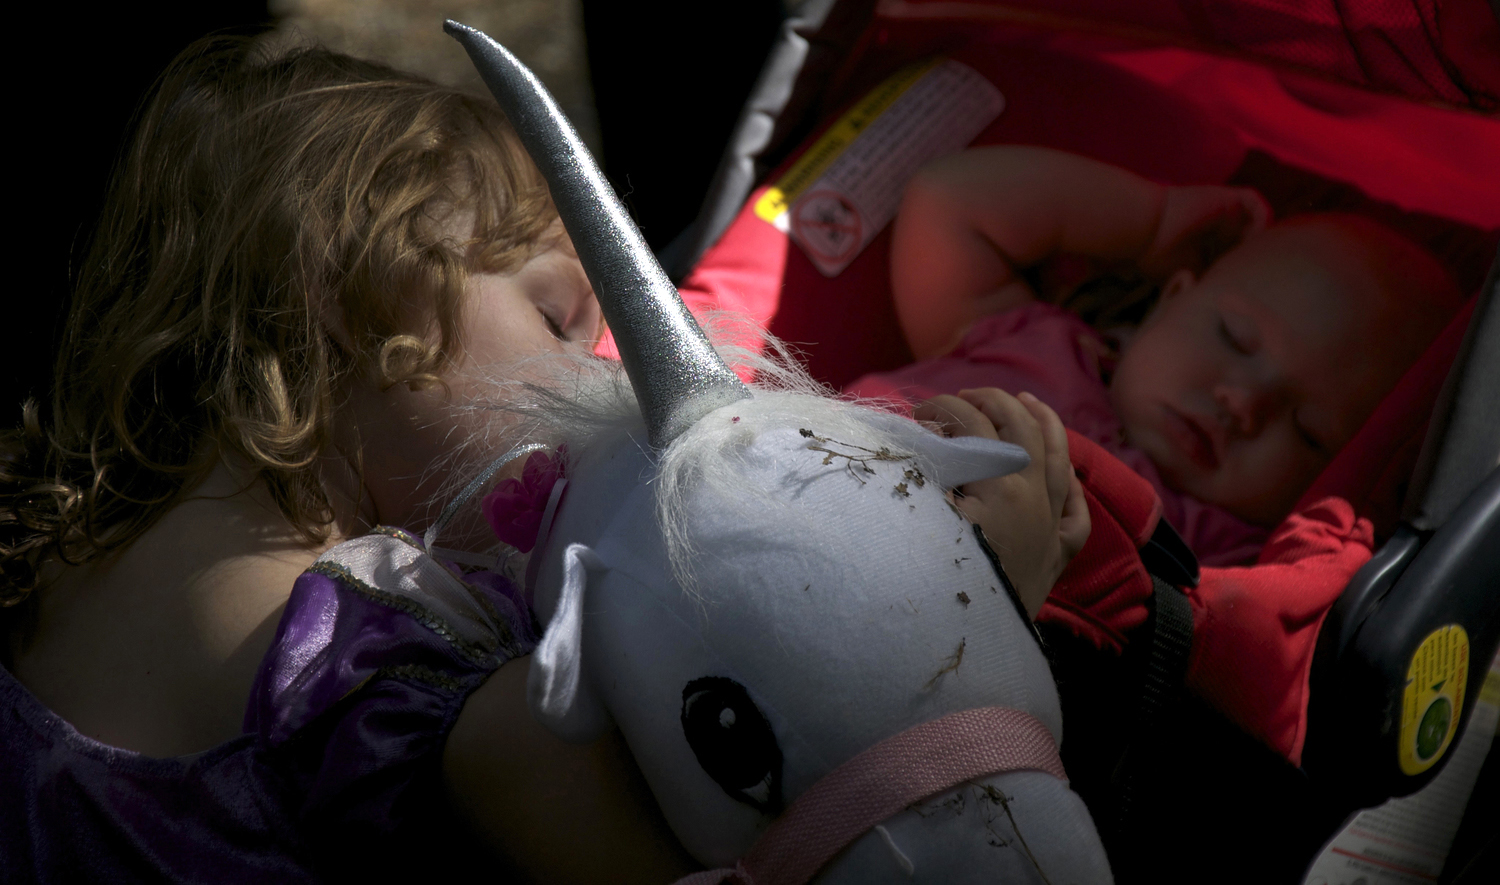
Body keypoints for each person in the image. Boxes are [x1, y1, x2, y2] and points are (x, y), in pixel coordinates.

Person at [0, 35, 1086, 883]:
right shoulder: (369, 680)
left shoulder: (67, 565)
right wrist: (973, 605)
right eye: (563, 318)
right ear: (356, 303)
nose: (603, 370)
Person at [848, 145, 1464, 565]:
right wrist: (1150, 222)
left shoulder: (1230, 558)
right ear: (1172, 297)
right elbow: (950, 199)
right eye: (1235, 338)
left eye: (1309, 431)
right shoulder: (1031, 342)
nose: (1242, 403)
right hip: (797, 483)